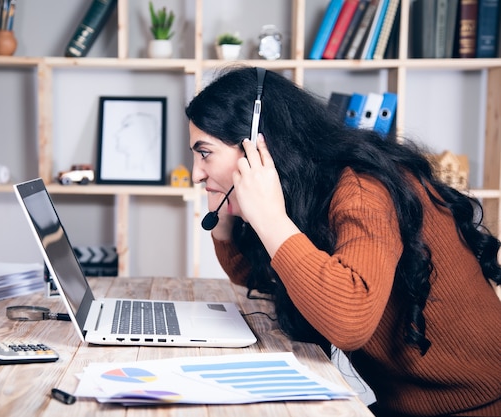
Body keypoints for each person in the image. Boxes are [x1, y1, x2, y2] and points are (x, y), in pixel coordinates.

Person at [185, 66, 501, 417]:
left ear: (256, 145)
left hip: (475, 406)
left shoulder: (363, 188)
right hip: (412, 407)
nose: (197, 172)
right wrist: (225, 213)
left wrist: (270, 218)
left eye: (205, 153)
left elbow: (349, 321)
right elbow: (256, 275)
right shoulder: (309, 190)